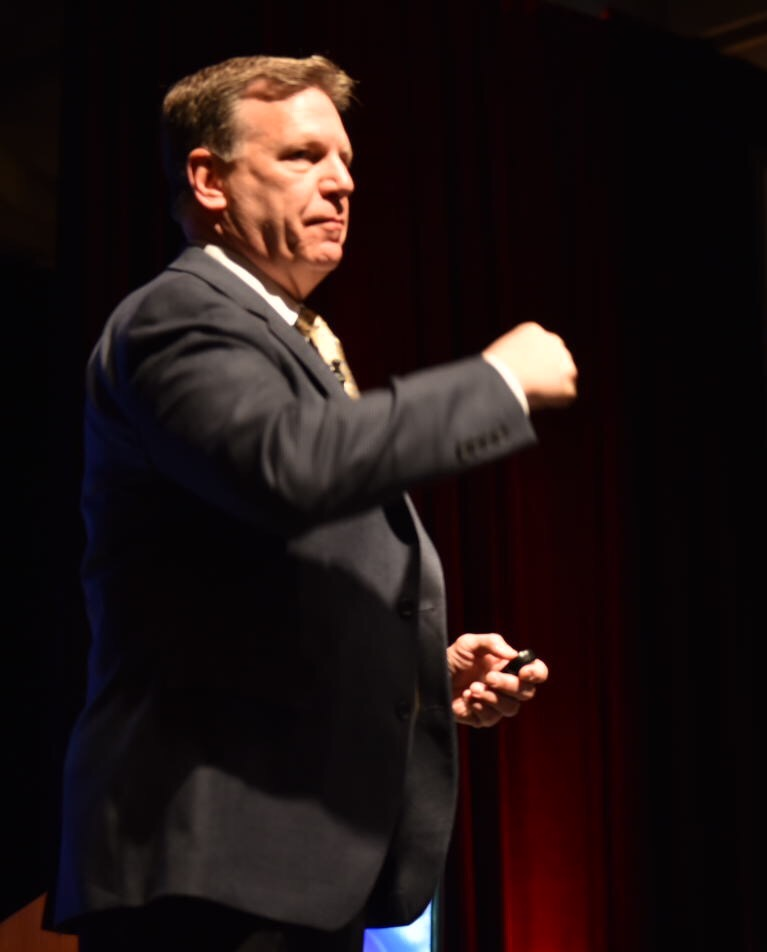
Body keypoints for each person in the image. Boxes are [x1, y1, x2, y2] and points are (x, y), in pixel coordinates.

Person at [51, 54, 577, 950]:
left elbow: (247, 582)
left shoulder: (288, 337)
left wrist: (416, 673)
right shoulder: (179, 315)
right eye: (301, 156)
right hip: (208, 853)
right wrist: (495, 384)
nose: (339, 183)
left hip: (285, 864)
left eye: (346, 164)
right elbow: (286, 468)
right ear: (208, 179)